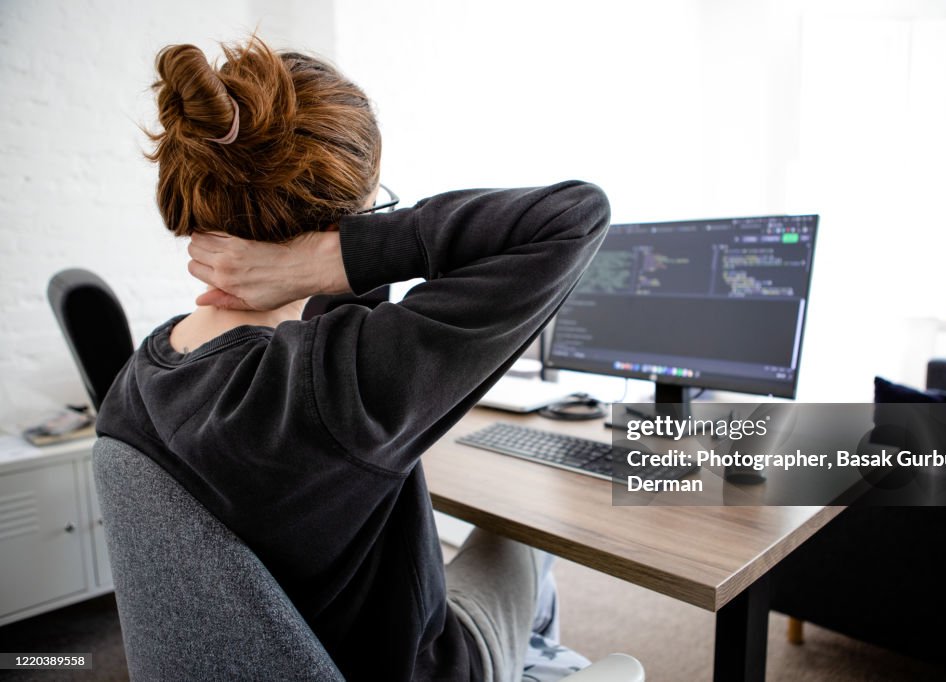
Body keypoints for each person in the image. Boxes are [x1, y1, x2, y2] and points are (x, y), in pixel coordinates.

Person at [96, 36, 609, 682]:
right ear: (350, 219)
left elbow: (333, 325)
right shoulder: (337, 393)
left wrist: (326, 253)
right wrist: (329, 257)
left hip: (315, 644)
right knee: (525, 535)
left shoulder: (145, 375)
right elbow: (575, 217)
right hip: (426, 667)